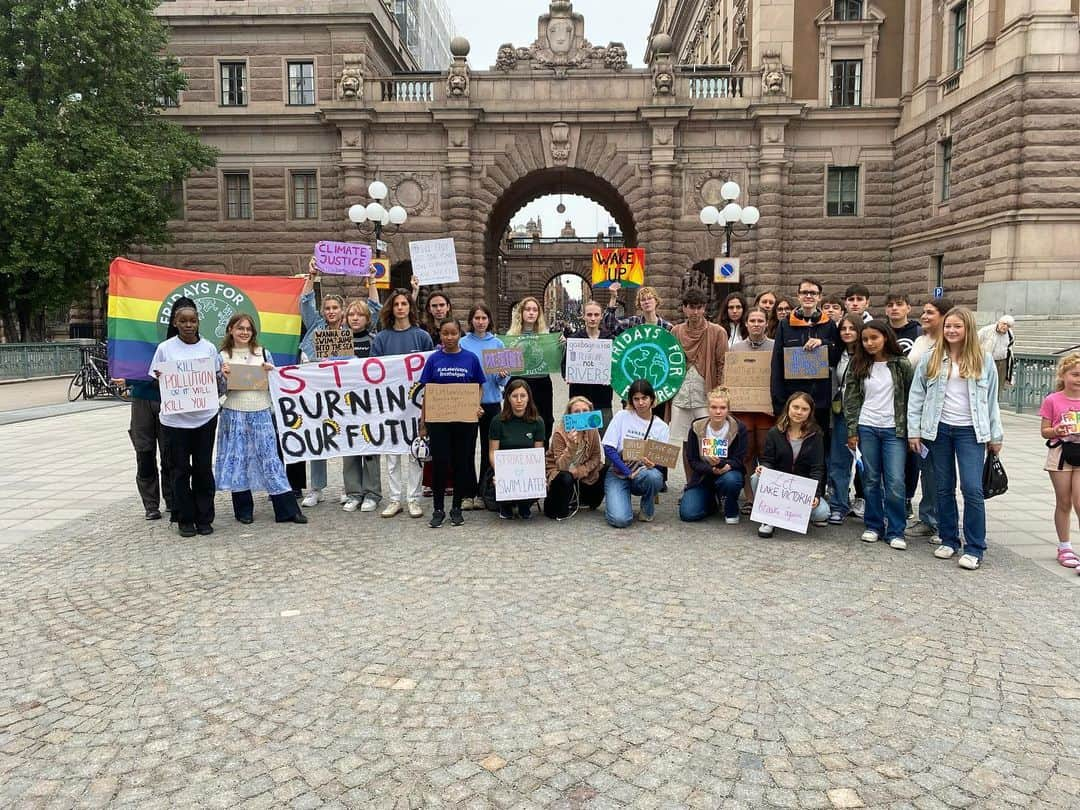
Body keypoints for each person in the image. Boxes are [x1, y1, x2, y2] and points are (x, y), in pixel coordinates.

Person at [908, 307, 1004, 570]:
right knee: (943, 486)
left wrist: (996, 435)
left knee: (972, 489)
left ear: (968, 329)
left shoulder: (983, 360)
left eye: (957, 326)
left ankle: (975, 547)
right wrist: (914, 431)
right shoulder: (932, 358)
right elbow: (916, 396)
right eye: (948, 326)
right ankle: (949, 539)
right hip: (937, 429)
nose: (951, 330)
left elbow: (991, 401)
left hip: (970, 431)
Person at [215, 314, 307, 525]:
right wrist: (222, 376)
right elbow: (217, 390)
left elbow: (275, 384)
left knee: (271, 458)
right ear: (230, 330)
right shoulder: (222, 356)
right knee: (239, 459)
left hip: (261, 410)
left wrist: (271, 372)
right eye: (240, 328)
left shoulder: (262, 353)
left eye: (248, 329)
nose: (244, 332)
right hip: (234, 411)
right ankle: (243, 509)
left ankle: (286, 509)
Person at [298, 264, 374, 508]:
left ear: (342, 311)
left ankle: (348, 487)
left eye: (335, 308)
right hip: (318, 394)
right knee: (317, 437)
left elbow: (373, 310)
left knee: (345, 438)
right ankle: (317, 488)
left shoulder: (349, 331)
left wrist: (371, 280)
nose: (331, 312)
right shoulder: (315, 327)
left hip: (344, 395)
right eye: (327, 308)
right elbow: (305, 303)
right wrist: (311, 276)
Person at [150, 298, 222, 538]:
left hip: (204, 417)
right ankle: (184, 518)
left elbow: (218, 380)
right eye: (183, 321)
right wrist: (161, 376)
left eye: (192, 321)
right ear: (175, 323)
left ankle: (205, 517)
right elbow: (155, 378)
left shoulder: (209, 348)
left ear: (198, 322)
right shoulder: (165, 348)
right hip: (175, 421)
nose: (188, 325)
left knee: (203, 468)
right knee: (179, 470)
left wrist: (223, 375)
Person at [844, 320, 914, 549]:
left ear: (885, 337)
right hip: (867, 426)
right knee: (871, 479)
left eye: (874, 338)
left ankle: (896, 530)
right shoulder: (859, 364)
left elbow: (911, 397)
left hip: (895, 429)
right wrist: (852, 430)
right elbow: (852, 399)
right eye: (865, 339)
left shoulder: (901, 364)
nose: (870, 343)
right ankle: (873, 525)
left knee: (895, 480)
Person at [372, 288, 435, 518]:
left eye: (404, 304)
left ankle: (413, 499)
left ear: (410, 307)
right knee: (392, 454)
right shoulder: (381, 338)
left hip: (415, 405)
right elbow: (372, 371)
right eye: (396, 304)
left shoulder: (422, 337)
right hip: (390, 404)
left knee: (415, 452)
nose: (400, 308)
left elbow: (429, 369)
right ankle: (395, 499)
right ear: (391, 308)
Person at [419, 319, 485, 528]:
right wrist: (423, 421)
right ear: (440, 335)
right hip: (439, 420)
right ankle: (438, 509)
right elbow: (427, 392)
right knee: (439, 463)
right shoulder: (433, 360)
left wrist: (476, 405)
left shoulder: (470, 359)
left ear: (459, 334)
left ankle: (456, 507)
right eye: (445, 334)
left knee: (461, 463)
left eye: (453, 333)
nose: (449, 338)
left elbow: (479, 385)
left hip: (464, 420)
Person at [905, 296, 954, 543]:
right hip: (923, 417)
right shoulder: (921, 340)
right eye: (923, 312)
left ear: (944, 316)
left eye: (930, 313)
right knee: (929, 471)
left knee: (939, 473)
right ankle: (928, 517)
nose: (924, 317)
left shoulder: (950, 345)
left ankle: (939, 521)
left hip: (944, 419)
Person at [753, 392, 830, 537]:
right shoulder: (774, 433)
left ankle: (793, 516)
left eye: (804, 409)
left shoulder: (816, 436)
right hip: (779, 486)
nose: (799, 412)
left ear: (810, 412)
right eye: (795, 407)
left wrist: (816, 495)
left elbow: (817, 468)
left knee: (823, 513)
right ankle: (768, 518)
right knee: (756, 478)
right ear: (788, 407)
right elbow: (768, 460)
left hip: (800, 489)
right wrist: (764, 468)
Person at [770, 278, 840, 436]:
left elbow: (837, 356)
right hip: (793, 400)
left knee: (819, 444)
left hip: (820, 400)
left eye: (813, 293)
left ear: (819, 297)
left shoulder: (829, 325)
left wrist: (823, 343)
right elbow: (777, 363)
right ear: (798, 295)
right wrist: (779, 403)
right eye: (804, 292)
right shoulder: (785, 324)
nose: (809, 296)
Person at [602, 379, 670, 528]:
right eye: (636, 399)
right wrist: (627, 472)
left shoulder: (662, 427)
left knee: (654, 476)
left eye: (644, 398)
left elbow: (662, 461)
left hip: (642, 474)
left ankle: (647, 508)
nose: (641, 403)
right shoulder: (622, 416)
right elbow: (608, 448)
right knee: (621, 520)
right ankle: (617, 502)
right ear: (631, 400)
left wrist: (655, 464)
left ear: (652, 399)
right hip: (618, 473)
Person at [460, 303, 509, 506]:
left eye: (484, 318)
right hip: (468, 403)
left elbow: (501, 381)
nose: (480, 322)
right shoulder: (462, 342)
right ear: (471, 320)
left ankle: (483, 491)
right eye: (477, 318)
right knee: (466, 448)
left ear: (489, 320)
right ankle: (467, 493)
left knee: (489, 449)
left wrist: (502, 376)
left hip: (491, 402)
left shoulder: (498, 344)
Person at [669, 288, 727, 453]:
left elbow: (723, 365)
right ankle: (690, 480)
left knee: (711, 440)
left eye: (699, 307)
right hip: (681, 396)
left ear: (704, 308)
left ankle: (714, 478)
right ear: (684, 308)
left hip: (705, 395)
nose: (695, 312)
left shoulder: (717, 332)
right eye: (691, 307)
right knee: (687, 443)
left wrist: (719, 395)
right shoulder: (676, 332)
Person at [678, 387, 748, 524]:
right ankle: (712, 503)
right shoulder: (696, 427)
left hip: (728, 474)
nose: (718, 411)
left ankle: (731, 507)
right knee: (687, 514)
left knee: (732, 480)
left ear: (728, 409)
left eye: (722, 408)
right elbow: (692, 460)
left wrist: (726, 466)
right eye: (714, 407)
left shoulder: (739, 428)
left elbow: (740, 459)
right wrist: (711, 469)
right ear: (708, 408)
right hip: (703, 477)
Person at [730, 306, 775, 513]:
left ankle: (767, 497)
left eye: (760, 321)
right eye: (752, 321)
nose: (756, 324)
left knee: (766, 452)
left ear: (766, 323)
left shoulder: (775, 346)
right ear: (746, 324)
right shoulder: (736, 349)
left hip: (767, 411)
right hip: (743, 410)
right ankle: (749, 497)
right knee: (746, 454)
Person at [1039, 352, 1080, 572]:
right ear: (1063, 375)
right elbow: (1044, 431)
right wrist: (1056, 430)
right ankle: (1065, 546)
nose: (1079, 379)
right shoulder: (1053, 399)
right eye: (1074, 374)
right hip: (1061, 453)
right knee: (1064, 501)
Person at [340, 298, 382, 513]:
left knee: (370, 448)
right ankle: (353, 492)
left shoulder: (375, 340)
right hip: (344, 403)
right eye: (351, 315)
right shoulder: (337, 340)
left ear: (368, 319)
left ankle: (372, 492)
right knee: (349, 448)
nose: (355, 318)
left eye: (360, 315)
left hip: (369, 402)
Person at [114, 373, 173, 521]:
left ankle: (172, 498)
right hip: (141, 398)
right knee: (144, 453)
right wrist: (126, 378)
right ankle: (151, 505)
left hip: (168, 397)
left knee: (170, 453)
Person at [489, 379, 546, 520]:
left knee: (539, 483)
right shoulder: (497, 421)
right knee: (497, 484)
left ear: (529, 398)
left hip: (526, 472)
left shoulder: (537, 422)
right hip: (504, 471)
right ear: (508, 398)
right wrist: (500, 472)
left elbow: (538, 453)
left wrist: (538, 473)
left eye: (523, 396)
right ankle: (505, 505)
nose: (519, 400)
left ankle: (525, 504)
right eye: (514, 396)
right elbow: (492, 452)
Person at [827, 314, 863, 524]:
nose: (847, 332)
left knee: (867, 465)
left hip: (865, 415)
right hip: (841, 415)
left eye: (852, 328)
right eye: (843, 328)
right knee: (839, 462)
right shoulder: (837, 354)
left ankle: (873, 507)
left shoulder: (868, 355)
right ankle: (839, 505)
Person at [544, 396, 605, 520]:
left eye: (585, 411)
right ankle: (555, 503)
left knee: (605, 469)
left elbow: (596, 456)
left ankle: (584, 499)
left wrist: (582, 470)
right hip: (561, 473)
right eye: (577, 412)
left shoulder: (592, 429)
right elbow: (561, 466)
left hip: (581, 472)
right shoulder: (559, 433)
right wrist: (571, 445)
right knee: (565, 478)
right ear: (569, 414)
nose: (581, 415)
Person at [507, 296, 556, 443]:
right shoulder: (510, 337)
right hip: (518, 382)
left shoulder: (546, 336)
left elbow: (553, 358)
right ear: (521, 312)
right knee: (518, 418)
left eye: (535, 310)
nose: (531, 313)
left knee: (545, 419)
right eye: (527, 309)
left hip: (541, 383)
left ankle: (542, 452)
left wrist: (561, 345)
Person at [562, 300, 616, 428]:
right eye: (589, 315)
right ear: (583, 316)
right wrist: (568, 375)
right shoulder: (574, 340)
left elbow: (616, 367)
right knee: (578, 439)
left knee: (604, 440)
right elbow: (564, 365)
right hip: (579, 400)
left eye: (596, 315)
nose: (593, 318)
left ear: (601, 316)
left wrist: (612, 378)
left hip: (603, 399)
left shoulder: (610, 339)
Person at [603, 283, 674, 334]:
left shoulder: (667, 327)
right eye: (643, 300)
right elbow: (611, 326)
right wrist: (613, 297)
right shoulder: (633, 323)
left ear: (656, 301)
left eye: (649, 298)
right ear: (640, 304)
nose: (646, 302)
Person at [978, 315, 1016, 389]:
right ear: (998, 322)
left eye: (1008, 326)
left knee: (998, 386)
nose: (1005, 327)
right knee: (985, 384)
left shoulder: (1010, 334)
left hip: (1002, 362)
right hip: (986, 361)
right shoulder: (986, 330)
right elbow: (975, 342)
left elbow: (1010, 348)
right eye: (1004, 324)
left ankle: (996, 399)